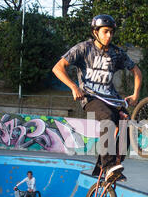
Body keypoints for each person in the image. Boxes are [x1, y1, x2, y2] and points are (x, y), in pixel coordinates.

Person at [52, 14, 142, 182]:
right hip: (91, 98)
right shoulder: (83, 48)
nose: (109, 36)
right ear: (95, 32)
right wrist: (73, 87)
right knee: (107, 118)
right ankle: (107, 166)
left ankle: (114, 164)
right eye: (105, 32)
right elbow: (57, 68)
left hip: (112, 99)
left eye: (111, 33)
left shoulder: (116, 53)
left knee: (127, 123)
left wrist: (136, 94)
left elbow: (136, 71)